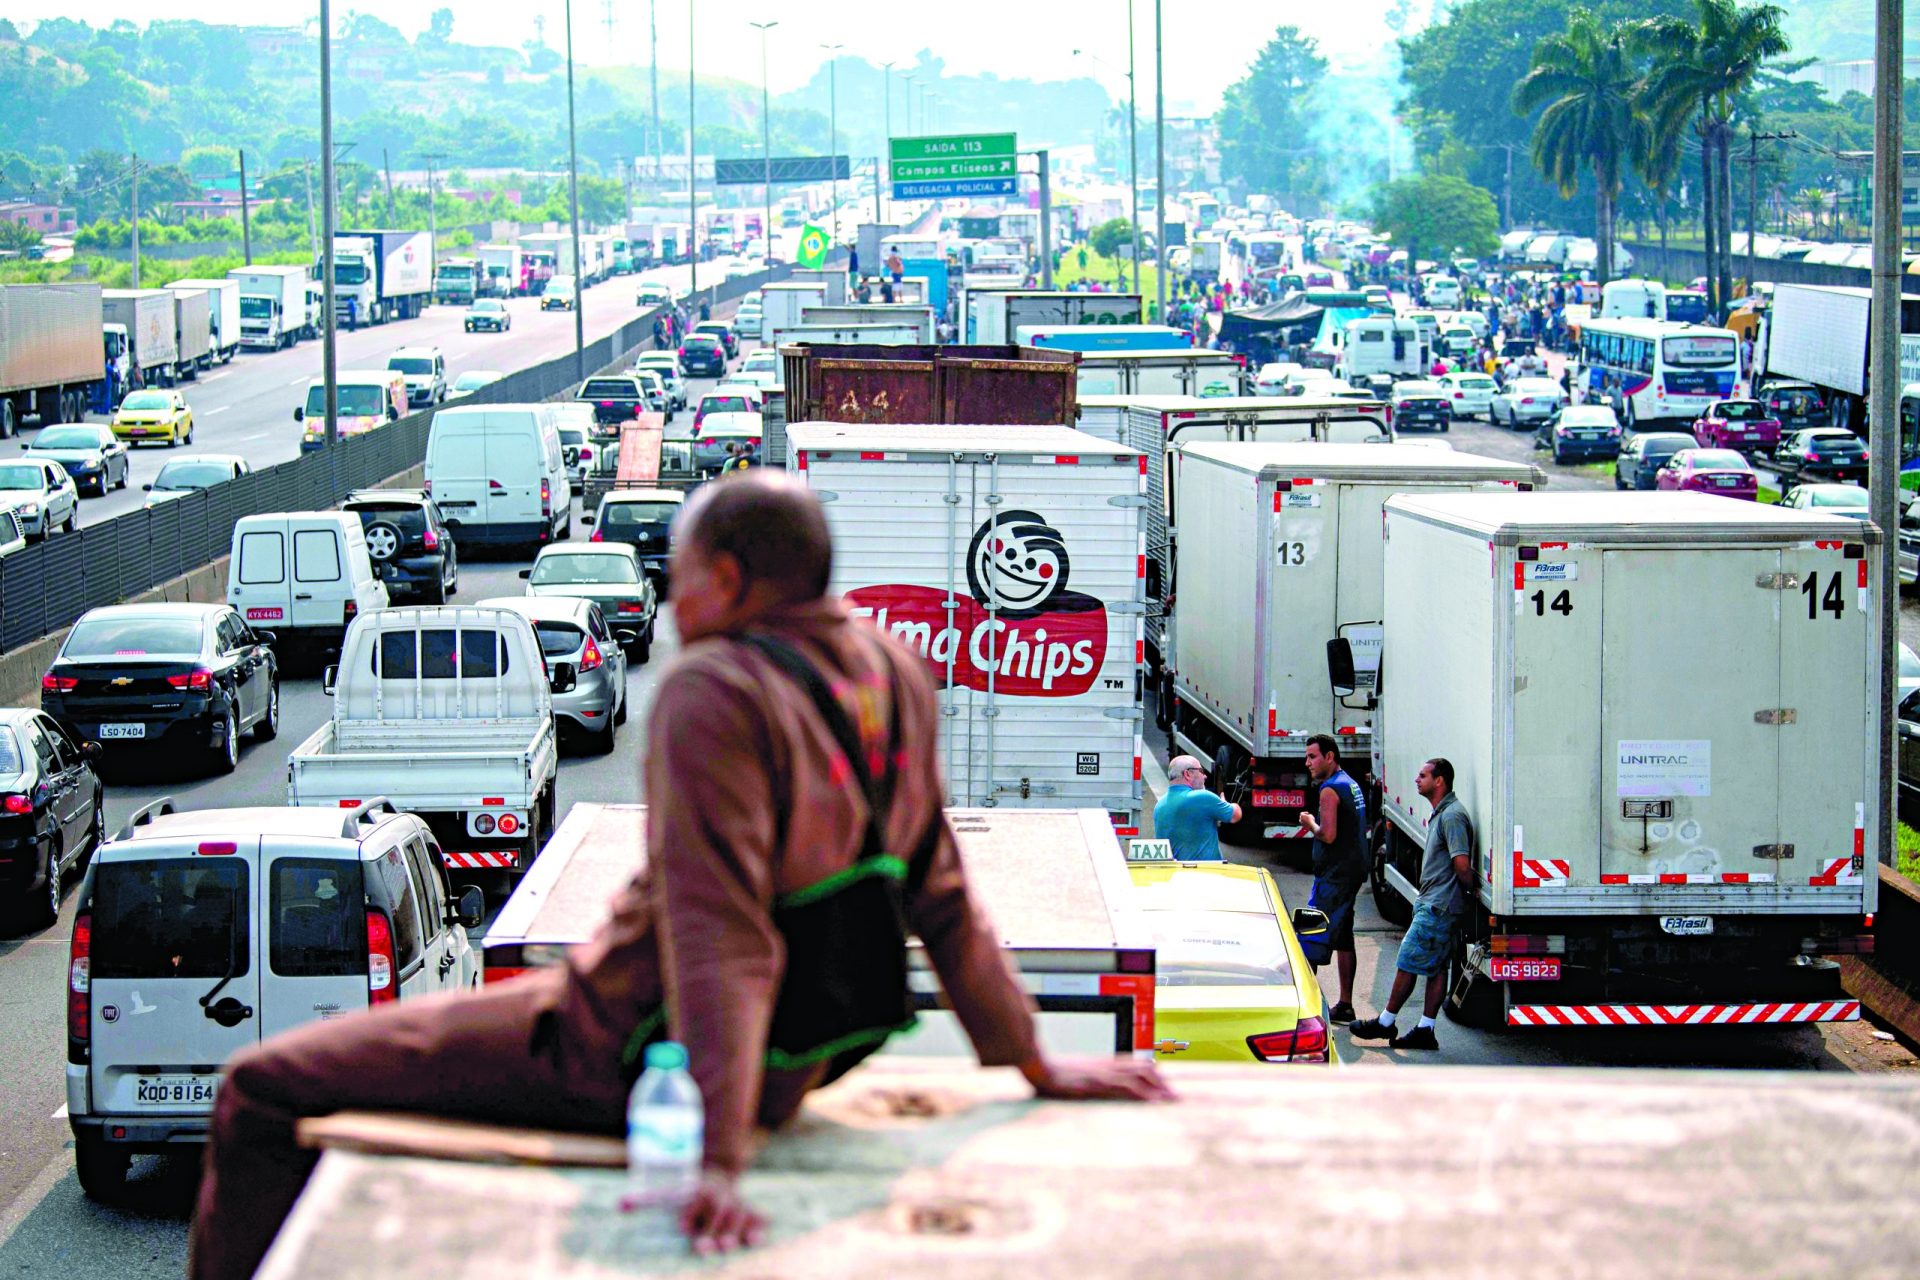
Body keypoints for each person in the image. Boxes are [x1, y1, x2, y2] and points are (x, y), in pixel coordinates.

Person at [187, 475, 1171, 1280]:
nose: (669, 601)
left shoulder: (714, 688)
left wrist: (714, 1160)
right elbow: (944, 898)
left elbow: (723, 935)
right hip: (800, 1059)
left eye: (684, 575)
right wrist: (1035, 1062)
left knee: (259, 1089)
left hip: (618, 1046)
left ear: (733, 580)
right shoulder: (888, 673)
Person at [1349, 757, 1474, 1051]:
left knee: (1408, 961)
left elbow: (1462, 864)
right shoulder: (1443, 813)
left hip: (1437, 906)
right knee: (1436, 969)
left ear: (1439, 780)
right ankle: (1425, 1031)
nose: (1417, 780)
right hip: (1439, 904)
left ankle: (1385, 1022)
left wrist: (1465, 895)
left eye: (1423, 775)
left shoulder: (1452, 816)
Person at [1294, 734, 1365, 1024]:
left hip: (1334, 876)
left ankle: (1302, 1004)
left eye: (1313, 756)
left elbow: (1329, 834)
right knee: (1344, 936)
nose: (1307, 762)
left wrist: (1309, 823)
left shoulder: (1329, 790)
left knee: (1310, 933)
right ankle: (1345, 1005)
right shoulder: (1351, 783)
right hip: (1352, 871)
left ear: (1330, 757)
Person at [1154, 756, 1241, 861]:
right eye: (1201, 771)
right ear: (1187, 774)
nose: (1205, 776)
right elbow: (1236, 815)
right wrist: (1224, 803)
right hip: (1204, 873)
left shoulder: (1159, 806)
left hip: (1175, 874)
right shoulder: (1202, 797)